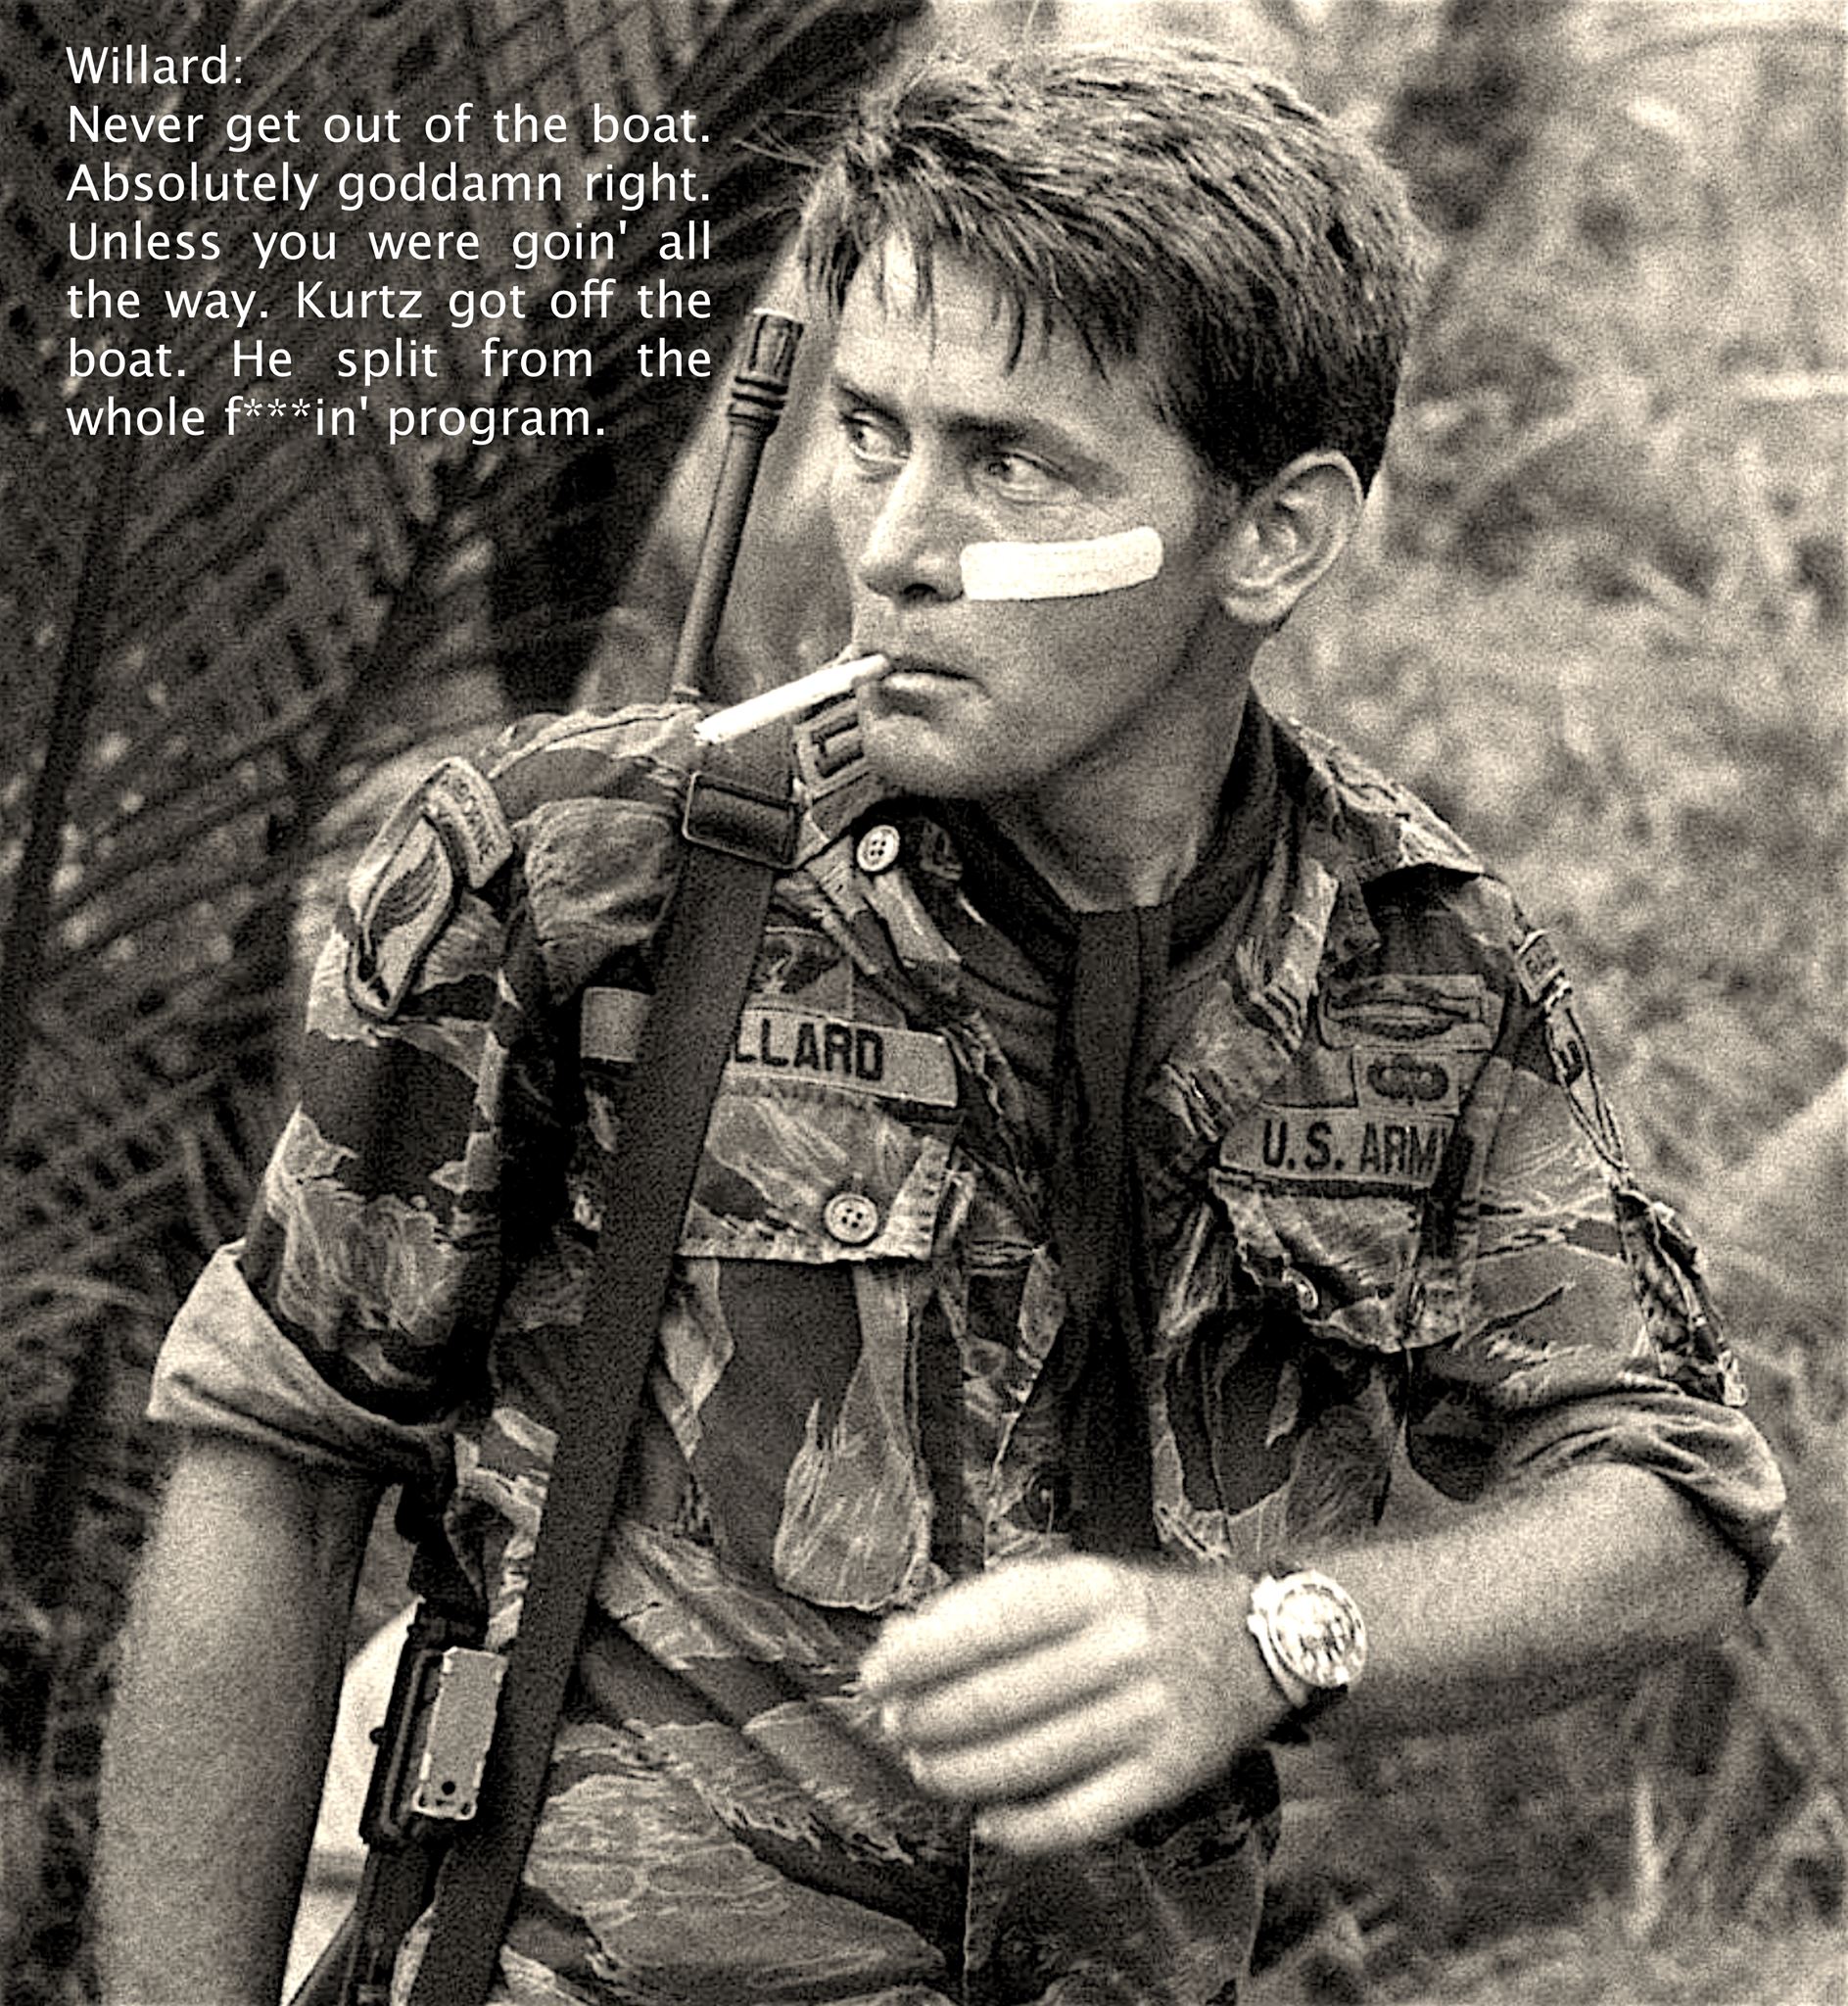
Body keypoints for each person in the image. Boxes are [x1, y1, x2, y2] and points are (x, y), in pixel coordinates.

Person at [97, 42, 1785, 2006]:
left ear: (1274, 536)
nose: (894, 541)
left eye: (1009, 464)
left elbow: (1672, 1499)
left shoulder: (1418, 970)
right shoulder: (582, 875)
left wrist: (1266, 1639)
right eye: (871, 431)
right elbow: (273, 1467)